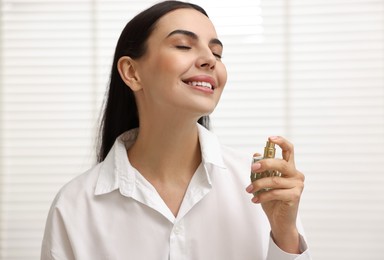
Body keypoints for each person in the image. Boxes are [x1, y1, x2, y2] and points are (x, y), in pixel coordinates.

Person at [41, 1, 312, 259]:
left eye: (217, 53)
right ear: (132, 72)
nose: (210, 59)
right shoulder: (74, 206)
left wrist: (284, 232)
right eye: (183, 46)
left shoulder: (259, 189)